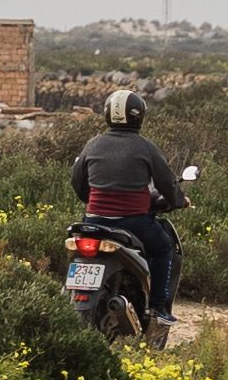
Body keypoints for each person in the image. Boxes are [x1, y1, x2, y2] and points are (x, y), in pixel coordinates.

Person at [69, 87, 187, 322]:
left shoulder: (93, 144)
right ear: (139, 116)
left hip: (94, 221)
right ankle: (158, 307)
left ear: (107, 115)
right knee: (164, 249)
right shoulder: (145, 147)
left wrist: (92, 204)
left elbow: (78, 182)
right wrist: (178, 201)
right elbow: (166, 183)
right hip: (133, 222)